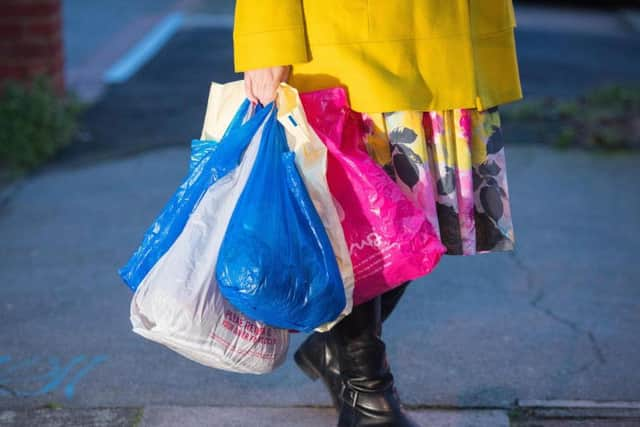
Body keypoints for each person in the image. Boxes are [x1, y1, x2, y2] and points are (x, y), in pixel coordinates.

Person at [233, 1, 522, 426]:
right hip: (350, 51)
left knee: (419, 230)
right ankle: (369, 395)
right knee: (362, 230)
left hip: (451, 47)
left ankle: (340, 348)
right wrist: (266, 40)